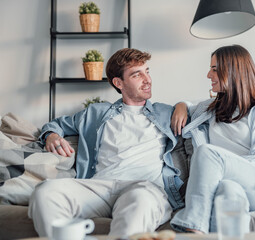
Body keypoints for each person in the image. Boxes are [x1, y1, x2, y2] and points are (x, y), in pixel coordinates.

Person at [28, 48, 185, 238]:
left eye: (147, 71)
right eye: (137, 74)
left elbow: (204, 110)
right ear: (119, 83)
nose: (147, 79)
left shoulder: (165, 113)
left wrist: (183, 105)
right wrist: (51, 135)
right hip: (98, 187)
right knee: (46, 192)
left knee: (140, 201)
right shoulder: (96, 113)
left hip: (143, 187)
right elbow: (56, 124)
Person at [170, 45, 255, 234]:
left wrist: (218, 170)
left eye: (214, 69)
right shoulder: (209, 108)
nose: (208, 75)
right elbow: (189, 105)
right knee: (228, 192)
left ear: (234, 71)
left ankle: (193, 225)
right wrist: (181, 106)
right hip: (226, 183)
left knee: (207, 153)